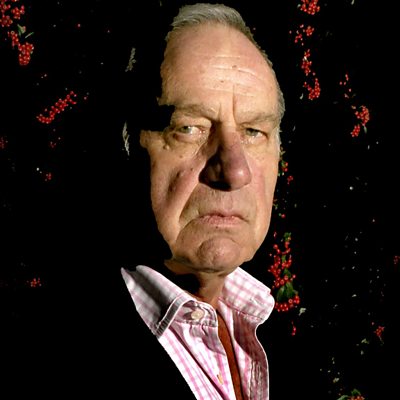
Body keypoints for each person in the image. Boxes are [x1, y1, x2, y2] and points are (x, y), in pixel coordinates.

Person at [5, 3, 285, 399]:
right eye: (189, 128)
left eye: (254, 132)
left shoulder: (278, 338)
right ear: (123, 147)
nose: (235, 171)